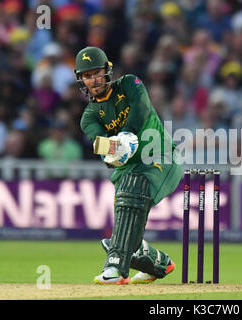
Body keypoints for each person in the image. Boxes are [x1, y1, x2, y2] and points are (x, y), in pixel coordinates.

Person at [75, 46, 182, 285]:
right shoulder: (89, 116)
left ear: (107, 71)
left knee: (133, 190)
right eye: (87, 75)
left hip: (160, 158)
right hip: (127, 171)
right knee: (129, 232)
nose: (93, 79)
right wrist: (113, 151)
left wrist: (126, 135)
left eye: (97, 72)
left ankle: (115, 266)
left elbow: (142, 109)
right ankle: (157, 261)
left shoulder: (130, 83)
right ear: (81, 79)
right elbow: (99, 144)